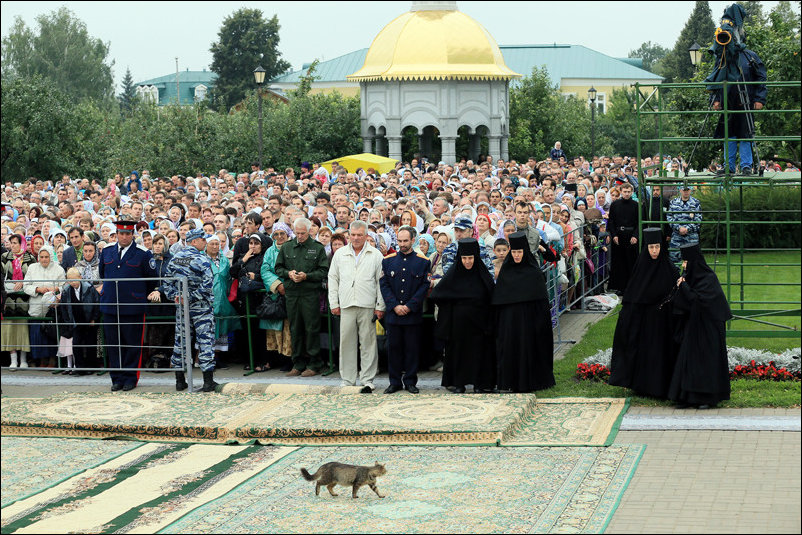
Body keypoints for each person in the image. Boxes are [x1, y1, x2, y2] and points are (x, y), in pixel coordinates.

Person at [608, 228, 679, 398]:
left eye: (657, 247)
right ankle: (642, 385)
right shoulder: (640, 269)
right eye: (651, 247)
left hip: (663, 323)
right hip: (644, 323)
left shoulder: (669, 269)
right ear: (646, 248)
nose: (654, 251)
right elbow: (633, 296)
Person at [668, 243, 733, 409]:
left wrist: (684, 286)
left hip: (708, 329)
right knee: (689, 361)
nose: (683, 265)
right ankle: (688, 397)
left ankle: (706, 397)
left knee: (704, 362)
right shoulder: (692, 277)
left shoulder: (708, 278)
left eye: (685, 262)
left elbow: (697, 301)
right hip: (695, 327)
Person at [707, 4, 767, 176]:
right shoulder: (722, 57)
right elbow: (716, 78)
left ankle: (747, 165)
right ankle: (729, 166)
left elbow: (761, 78)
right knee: (729, 133)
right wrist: (715, 100)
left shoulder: (750, 56)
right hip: (728, 100)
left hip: (747, 100)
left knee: (746, 132)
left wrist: (759, 99)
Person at [430, 238, 495, 394]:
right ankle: (458, 383)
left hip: (479, 324)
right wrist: (451, 308)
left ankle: (480, 383)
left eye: (470, 258)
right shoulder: (454, 275)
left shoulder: (482, 275)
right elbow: (438, 295)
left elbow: (492, 296)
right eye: (464, 258)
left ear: (476, 258)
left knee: (480, 354)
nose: (467, 262)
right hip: (458, 325)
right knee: (458, 354)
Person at [98, 220, 157, 392]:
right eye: (121, 233)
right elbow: (103, 273)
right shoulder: (107, 251)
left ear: (133, 235)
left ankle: (130, 378)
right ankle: (117, 378)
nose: (124, 237)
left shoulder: (143, 253)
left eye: (128, 233)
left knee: (132, 344)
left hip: (133, 306)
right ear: (116, 233)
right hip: (110, 305)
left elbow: (151, 279)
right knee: (113, 345)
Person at [493, 232, 556, 392]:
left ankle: (532, 381)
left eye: (519, 252)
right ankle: (510, 382)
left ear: (525, 252)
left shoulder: (533, 272)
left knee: (529, 349)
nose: (516, 255)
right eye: (514, 252)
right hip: (510, 324)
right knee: (511, 350)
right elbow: (499, 300)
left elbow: (541, 302)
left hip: (529, 322)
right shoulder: (505, 272)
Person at [328, 220, 386, 393]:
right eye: (352, 235)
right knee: (346, 343)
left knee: (368, 343)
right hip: (346, 304)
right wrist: (334, 303)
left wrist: (379, 306)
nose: (356, 238)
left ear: (366, 235)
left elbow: (380, 283)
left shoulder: (376, 255)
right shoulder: (340, 254)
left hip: (367, 304)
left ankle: (367, 379)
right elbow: (333, 279)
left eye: (359, 235)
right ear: (349, 235)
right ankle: (347, 379)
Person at [163, 229, 217, 392]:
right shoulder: (202, 259)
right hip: (200, 307)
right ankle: (208, 382)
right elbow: (208, 284)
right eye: (202, 239)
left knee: (181, 341)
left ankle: (180, 381)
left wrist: (177, 296)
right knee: (205, 341)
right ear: (194, 241)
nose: (205, 242)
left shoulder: (175, 259)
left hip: (181, 307)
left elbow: (167, 283)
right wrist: (191, 297)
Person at [275, 218, 330, 377]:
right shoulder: (287, 247)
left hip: (310, 293)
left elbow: (323, 271)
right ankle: (298, 363)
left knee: (311, 328)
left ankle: (314, 363)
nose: (300, 236)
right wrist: (288, 273)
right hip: (292, 294)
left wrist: (307, 276)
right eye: (297, 233)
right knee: (295, 328)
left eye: (303, 233)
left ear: (309, 231)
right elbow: (278, 268)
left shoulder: (317, 248)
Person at [379, 227, 430, 394]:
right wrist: (394, 305)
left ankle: (410, 381)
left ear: (412, 240)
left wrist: (409, 306)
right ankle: (394, 382)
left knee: (412, 349)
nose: (402, 244)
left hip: (412, 314)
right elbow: (384, 284)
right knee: (393, 349)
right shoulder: (388, 261)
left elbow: (424, 286)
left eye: (405, 241)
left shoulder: (422, 262)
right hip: (394, 314)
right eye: (399, 241)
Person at [259, 223, 294, 371]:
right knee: (274, 330)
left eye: (282, 234)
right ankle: (277, 359)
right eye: (276, 234)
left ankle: (290, 360)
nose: (279, 237)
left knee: (289, 329)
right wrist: (278, 285)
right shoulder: (269, 251)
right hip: (275, 294)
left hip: (291, 291)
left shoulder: (293, 247)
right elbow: (265, 269)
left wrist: (287, 284)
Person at [24, 245, 65, 368]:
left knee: (51, 335)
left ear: (51, 257)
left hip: (52, 308)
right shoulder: (32, 268)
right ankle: (42, 360)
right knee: (37, 336)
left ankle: (52, 360)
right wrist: (37, 289)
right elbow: (26, 286)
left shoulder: (58, 269)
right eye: (41, 257)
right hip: (36, 306)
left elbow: (65, 286)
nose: (44, 259)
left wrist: (56, 288)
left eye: (46, 257)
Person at [56, 267, 101, 375]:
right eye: (70, 280)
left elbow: (97, 303)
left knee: (90, 344)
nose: (73, 282)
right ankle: (80, 368)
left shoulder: (89, 288)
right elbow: (64, 308)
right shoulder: (66, 291)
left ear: (80, 278)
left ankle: (91, 367)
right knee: (76, 344)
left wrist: (94, 318)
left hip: (89, 320)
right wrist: (69, 322)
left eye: (75, 280)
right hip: (76, 322)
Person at [206, 233, 240, 370]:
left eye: (217, 243)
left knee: (222, 329)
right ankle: (208, 358)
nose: (215, 246)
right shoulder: (203, 259)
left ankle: (218, 357)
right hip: (209, 299)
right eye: (212, 244)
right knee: (209, 329)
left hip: (223, 299)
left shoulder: (224, 260)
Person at [1, 234, 34, 369]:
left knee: (22, 328)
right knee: (9, 329)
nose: (13, 245)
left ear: (22, 244)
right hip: (8, 299)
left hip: (23, 300)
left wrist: (23, 282)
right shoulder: (4, 258)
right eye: (12, 243)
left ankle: (23, 359)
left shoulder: (30, 258)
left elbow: (32, 276)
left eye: (16, 243)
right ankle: (13, 359)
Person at [607, 182, 639, 294]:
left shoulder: (636, 205)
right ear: (621, 192)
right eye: (624, 192)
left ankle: (632, 287)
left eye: (628, 192)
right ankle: (620, 287)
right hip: (618, 236)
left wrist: (636, 235)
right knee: (619, 263)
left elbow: (639, 223)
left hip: (631, 236)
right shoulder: (615, 205)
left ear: (632, 192)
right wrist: (614, 235)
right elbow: (611, 221)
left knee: (631, 262)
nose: (626, 194)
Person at [667, 186, 702, 263]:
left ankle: (690, 275)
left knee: (693, 261)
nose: (686, 192)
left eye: (687, 190)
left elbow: (698, 219)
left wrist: (687, 229)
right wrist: (678, 228)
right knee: (674, 261)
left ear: (691, 190)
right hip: (677, 236)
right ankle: (675, 275)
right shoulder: (673, 202)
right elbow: (669, 217)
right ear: (680, 190)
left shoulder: (696, 203)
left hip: (691, 236)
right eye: (684, 190)